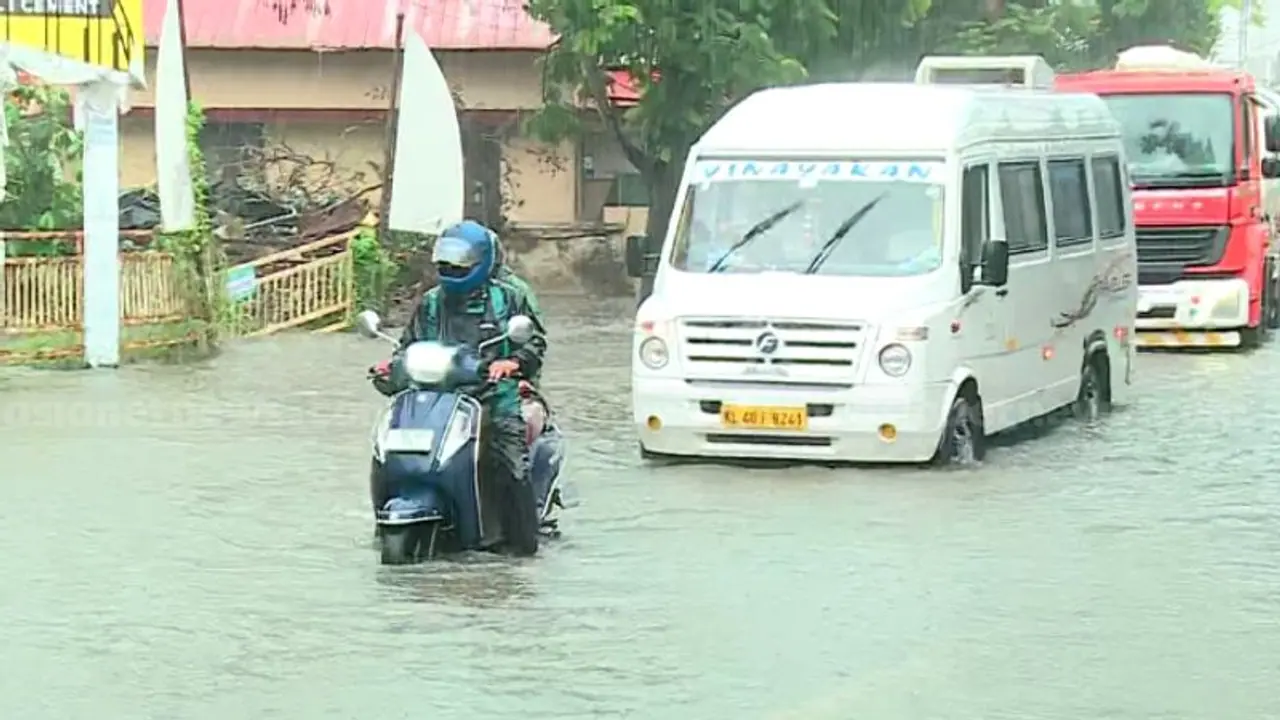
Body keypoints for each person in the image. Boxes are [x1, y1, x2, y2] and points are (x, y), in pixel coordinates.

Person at [397, 219, 548, 556]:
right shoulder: (432, 302)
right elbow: (408, 344)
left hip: (496, 396)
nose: (451, 267)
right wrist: (391, 365)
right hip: (441, 398)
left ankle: (523, 547)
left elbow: (535, 343)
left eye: (460, 261)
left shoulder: (510, 298)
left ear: (481, 262)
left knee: (512, 466)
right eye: (446, 261)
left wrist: (513, 363)